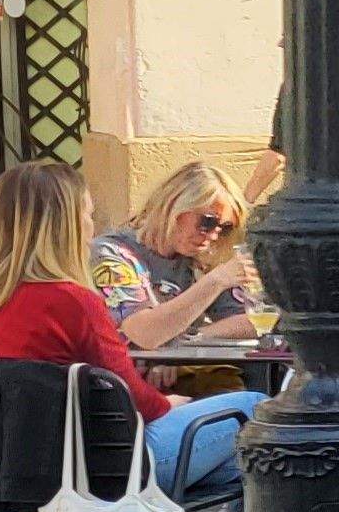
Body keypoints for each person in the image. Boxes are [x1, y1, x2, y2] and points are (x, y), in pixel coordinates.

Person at [0, 162, 263, 508]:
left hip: (7, 467)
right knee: (259, 411)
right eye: (86, 214)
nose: (91, 226)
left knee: (245, 466)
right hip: (101, 467)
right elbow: (127, 391)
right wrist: (169, 404)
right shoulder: (72, 299)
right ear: (64, 224)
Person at [94, 162, 257, 394]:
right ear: (175, 206)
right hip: (124, 392)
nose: (213, 235)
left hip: (177, 388)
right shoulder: (112, 253)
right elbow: (145, 333)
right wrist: (215, 281)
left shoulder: (203, 255)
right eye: (208, 221)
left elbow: (250, 319)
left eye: (225, 228)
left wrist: (185, 344)